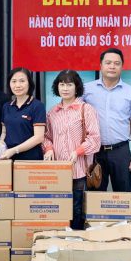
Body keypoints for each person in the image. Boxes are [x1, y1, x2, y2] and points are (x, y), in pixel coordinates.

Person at [43, 70, 102, 229]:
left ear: (77, 87)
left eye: (69, 84)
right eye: (62, 84)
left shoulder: (86, 109)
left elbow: (95, 138)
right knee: (59, 207)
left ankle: (76, 238)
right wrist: (48, 148)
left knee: (77, 208)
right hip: (58, 170)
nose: (65, 88)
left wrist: (77, 152)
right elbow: (46, 136)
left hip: (78, 170)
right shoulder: (52, 113)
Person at [83, 48, 131, 191]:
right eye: (108, 63)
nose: (112, 66)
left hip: (120, 151)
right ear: (101, 65)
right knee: (94, 195)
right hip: (94, 151)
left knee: (124, 194)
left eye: (117, 63)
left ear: (122, 66)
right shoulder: (86, 90)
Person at [0, 67, 46, 160]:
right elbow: (4, 132)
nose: (17, 85)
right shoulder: (6, 106)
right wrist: (1, 145)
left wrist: (14, 150)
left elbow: (39, 137)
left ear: (29, 83)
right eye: (14, 81)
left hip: (30, 159)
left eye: (22, 81)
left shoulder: (37, 106)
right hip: (8, 158)